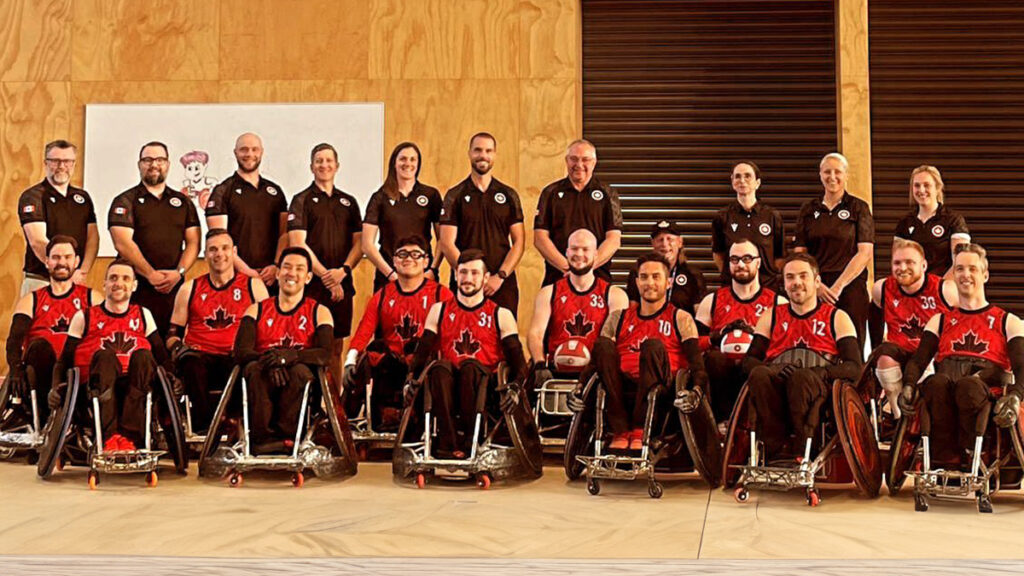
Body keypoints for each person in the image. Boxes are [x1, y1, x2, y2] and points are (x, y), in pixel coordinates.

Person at [899, 244, 1024, 469]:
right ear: (953, 275)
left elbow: (1022, 368)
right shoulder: (939, 321)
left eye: (972, 269)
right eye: (959, 269)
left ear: (985, 275)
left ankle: (972, 452)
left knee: (968, 387)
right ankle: (943, 455)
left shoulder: (1009, 322)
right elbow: (918, 361)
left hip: (983, 394)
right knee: (934, 383)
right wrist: (908, 384)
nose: (965, 274)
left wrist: (1016, 396)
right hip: (945, 392)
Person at [405, 249, 527, 458]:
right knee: (439, 368)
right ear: (455, 275)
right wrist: (410, 378)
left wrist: (516, 386)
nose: (467, 278)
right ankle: (449, 444)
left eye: (474, 273)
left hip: (485, 388)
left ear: (486, 278)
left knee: (470, 367)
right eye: (463, 272)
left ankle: (472, 440)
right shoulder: (439, 310)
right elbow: (422, 353)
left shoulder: (501, 314)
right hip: (448, 385)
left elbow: (519, 364)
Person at [741, 253, 862, 458]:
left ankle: (803, 447)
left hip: (817, 390)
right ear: (784, 284)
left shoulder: (837, 317)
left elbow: (854, 368)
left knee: (801, 378)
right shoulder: (771, 315)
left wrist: (820, 372)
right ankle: (773, 446)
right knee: (759, 374)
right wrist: (774, 368)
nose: (796, 282)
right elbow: (748, 362)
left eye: (803, 276)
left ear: (817, 281)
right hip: (777, 391)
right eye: (790, 277)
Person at [591, 252, 707, 451]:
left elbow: (697, 364)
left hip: (661, 391)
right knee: (602, 345)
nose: (649, 283)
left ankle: (639, 430)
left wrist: (696, 390)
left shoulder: (681, 318)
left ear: (668, 283)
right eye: (644, 277)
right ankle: (620, 430)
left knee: (652, 346)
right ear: (637, 282)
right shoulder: (618, 317)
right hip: (621, 388)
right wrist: (579, 387)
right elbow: (597, 361)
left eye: (656, 277)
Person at [53, 259, 171, 452]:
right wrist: (55, 387)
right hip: (95, 387)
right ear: (104, 284)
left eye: (125, 278)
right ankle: (110, 438)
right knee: (105, 357)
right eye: (113, 278)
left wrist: (172, 378)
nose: (119, 283)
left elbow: (162, 357)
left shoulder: (143, 315)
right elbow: (64, 361)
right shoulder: (84, 317)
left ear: (134, 286)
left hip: (135, 385)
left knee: (143, 355)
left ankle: (130, 438)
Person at [166, 229, 269, 433]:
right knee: (190, 364)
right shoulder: (189, 288)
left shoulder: (253, 286)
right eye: (213, 249)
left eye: (224, 248)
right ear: (205, 255)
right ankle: (204, 429)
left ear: (234, 252)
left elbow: (266, 330)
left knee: (249, 365)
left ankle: (233, 423)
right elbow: (172, 334)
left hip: (236, 356)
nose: (219, 254)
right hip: (200, 357)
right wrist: (179, 348)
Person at [344, 236, 452, 429]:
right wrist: (350, 360)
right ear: (394, 261)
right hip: (390, 366)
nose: (408, 258)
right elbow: (364, 330)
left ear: (426, 261)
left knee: (419, 349)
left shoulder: (440, 294)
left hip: (422, 366)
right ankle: (345, 424)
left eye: (415, 254)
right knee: (372, 353)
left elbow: (451, 334)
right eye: (402, 254)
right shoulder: (383, 294)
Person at [232, 247, 334, 451]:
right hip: (262, 373)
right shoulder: (256, 309)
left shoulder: (320, 312)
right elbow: (241, 351)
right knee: (253, 369)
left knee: (299, 371)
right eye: (286, 267)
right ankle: (261, 439)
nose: (292, 273)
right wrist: (271, 361)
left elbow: (325, 354)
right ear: (278, 273)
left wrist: (289, 357)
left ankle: (289, 438)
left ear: (308, 277)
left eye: (299, 269)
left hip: (300, 379)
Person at [108, 141, 201, 337]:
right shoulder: (125, 201)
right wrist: (150, 274)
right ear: (139, 164)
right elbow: (122, 243)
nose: (154, 165)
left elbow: (194, 242)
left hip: (173, 287)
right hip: (135, 288)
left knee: (171, 342)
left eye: (160, 160)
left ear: (168, 164)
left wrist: (179, 273)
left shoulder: (183, 202)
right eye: (148, 160)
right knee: (134, 343)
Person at [287, 143, 363, 381]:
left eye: (329, 161)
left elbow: (360, 243)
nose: (324, 165)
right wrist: (328, 278)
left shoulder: (349, 202)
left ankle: (334, 400)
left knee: (336, 348)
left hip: (342, 284)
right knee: (310, 346)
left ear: (337, 166)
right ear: (311, 167)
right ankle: (311, 400)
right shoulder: (301, 200)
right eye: (319, 161)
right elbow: (298, 243)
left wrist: (343, 271)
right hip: (312, 285)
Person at [6, 236, 102, 421]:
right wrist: (15, 369)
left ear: (76, 261)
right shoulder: (31, 300)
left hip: (76, 370)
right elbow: (14, 341)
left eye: (67, 257)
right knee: (40, 346)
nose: (61, 262)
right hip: (42, 368)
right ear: (47, 261)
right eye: (56, 257)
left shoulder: (92, 298)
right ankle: (45, 415)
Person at [527, 228, 628, 391]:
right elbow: (536, 333)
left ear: (596, 254)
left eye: (585, 249)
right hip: (555, 371)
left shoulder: (615, 295)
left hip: (596, 373)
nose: (579, 254)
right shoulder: (549, 292)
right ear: (566, 252)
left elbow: (612, 340)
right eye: (574, 249)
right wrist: (539, 364)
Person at [695, 240, 784, 422]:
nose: (741, 264)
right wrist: (716, 338)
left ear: (758, 262)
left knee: (756, 366)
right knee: (714, 359)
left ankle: (757, 423)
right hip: (721, 376)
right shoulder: (712, 300)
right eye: (734, 259)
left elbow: (785, 347)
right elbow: (694, 345)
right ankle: (721, 422)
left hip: (757, 371)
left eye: (747, 258)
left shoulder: (778, 303)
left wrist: (758, 338)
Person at [868, 238, 957, 418]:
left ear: (923, 265)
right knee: (883, 355)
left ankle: (923, 419)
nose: (902, 268)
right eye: (897, 263)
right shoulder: (881, 288)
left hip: (931, 356)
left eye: (910, 262)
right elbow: (874, 321)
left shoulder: (945, 289)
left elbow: (962, 322)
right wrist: (875, 351)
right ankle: (898, 417)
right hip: (900, 350)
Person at [794, 152, 874, 347]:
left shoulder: (859, 208)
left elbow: (864, 253)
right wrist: (816, 284)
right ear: (820, 175)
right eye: (827, 172)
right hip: (815, 287)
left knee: (852, 344)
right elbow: (800, 255)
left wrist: (838, 286)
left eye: (837, 172)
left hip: (850, 287)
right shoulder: (808, 209)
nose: (832, 177)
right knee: (815, 343)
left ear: (846, 175)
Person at [439, 132, 525, 314]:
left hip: (501, 284)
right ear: (469, 153)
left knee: (504, 331)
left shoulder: (509, 195)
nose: (483, 155)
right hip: (465, 286)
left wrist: (500, 276)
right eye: (477, 150)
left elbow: (519, 242)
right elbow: (446, 243)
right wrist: (469, 276)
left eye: (488, 151)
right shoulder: (455, 195)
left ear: (494, 155)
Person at [534, 139, 623, 286]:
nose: (579, 165)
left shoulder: (608, 193)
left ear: (594, 163)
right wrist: (568, 268)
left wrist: (585, 268)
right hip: (558, 277)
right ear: (566, 160)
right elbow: (540, 238)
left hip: (598, 278)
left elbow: (613, 239)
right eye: (574, 159)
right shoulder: (550, 193)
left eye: (585, 160)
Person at [205, 133, 288, 288]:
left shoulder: (275, 192)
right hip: (236, 278)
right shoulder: (222, 191)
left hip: (273, 277)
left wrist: (277, 265)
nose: (249, 154)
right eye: (244, 149)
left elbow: (284, 234)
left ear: (261, 152)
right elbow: (219, 240)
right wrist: (248, 272)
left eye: (254, 149)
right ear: (235, 153)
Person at [18, 140, 98, 295]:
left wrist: (82, 271)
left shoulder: (83, 197)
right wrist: (62, 271)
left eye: (67, 161)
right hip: (41, 281)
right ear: (45, 163)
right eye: (55, 161)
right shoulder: (33, 196)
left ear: (74, 164)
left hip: (75, 280)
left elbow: (92, 239)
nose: (61, 166)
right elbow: (37, 241)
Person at [362, 142, 442, 292]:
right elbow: (366, 244)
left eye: (413, 159)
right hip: (388, 277)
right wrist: (391, 275)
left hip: (424, 276)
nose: (408, 163)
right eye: (403, 159)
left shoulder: (431, 195)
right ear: (394, 163)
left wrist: (432, 269)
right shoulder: (380, 197)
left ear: (418, 164)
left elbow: (442, 239)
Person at [711, 161, 786, 288]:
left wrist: (767, 276)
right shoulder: (722, 217)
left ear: (758, 183)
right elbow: (718, 254)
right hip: (733, 287)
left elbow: (780, 255)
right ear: (732, 182)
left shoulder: (772, 216)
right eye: (737, 176)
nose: (742, 180)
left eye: (747, 176)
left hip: (767, 287)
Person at [894, 165, 970, 279]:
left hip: (945, 285)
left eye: (927, 185)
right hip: (913, 287)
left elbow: (960, 263)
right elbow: (899, 263)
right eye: (917, 185)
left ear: (938, 188)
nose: (921, 190)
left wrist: (939, 287)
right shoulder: (904, 222)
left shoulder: (953, 220)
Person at [625, 220, 706, 316]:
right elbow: (632, 311)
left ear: (680, 242)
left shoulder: (692, 274)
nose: (664, 244)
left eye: (669, 239)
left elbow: (700, 315)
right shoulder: (638, 272)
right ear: (652, 243)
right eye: (660, 240)